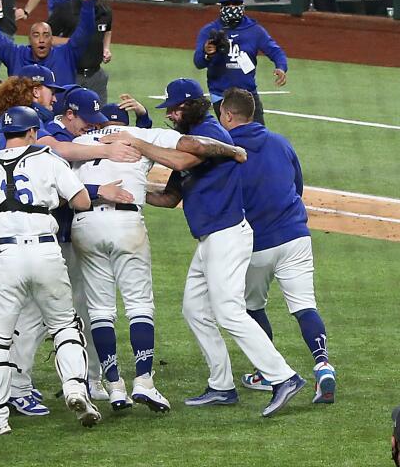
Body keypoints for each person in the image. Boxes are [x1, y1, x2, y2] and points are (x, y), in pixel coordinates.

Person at [128, 78, 304, 418]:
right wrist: (131, 194)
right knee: (194, 310)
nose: (172, 115)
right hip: (209, 239)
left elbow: (183, 158)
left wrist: (137, 142)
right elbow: (170, 197)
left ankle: (284, 377)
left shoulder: (213, 132)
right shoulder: (188, 144)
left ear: (192, 106)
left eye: (176, 109)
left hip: (228, 235)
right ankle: (221, 386)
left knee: (229, 311)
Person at [71, 100, 246, 412]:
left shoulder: (81, 142)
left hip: (86, 224)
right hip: (126, 224)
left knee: (100, 310)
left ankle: (113, 387)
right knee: (138, 304)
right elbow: (194, 147)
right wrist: (231, 151)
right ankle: (144, 382)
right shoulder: (141, 135)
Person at [0, 105, 101, 435]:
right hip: (47, 249)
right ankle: (76, 389)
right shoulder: (48, 159)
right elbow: (82, 202)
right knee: (64, 324)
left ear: (5, 134)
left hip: (5, 254)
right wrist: (47, 202)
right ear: (33, 132)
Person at [218, 88, 336, 404]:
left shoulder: (227, 150)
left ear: (228, 115)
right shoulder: (281, 142)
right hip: (296, 236)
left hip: (257, 244)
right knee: (304, 306)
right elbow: (297, 186)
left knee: (251, 307)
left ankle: (266, 372)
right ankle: (323, 363)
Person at [193, 0, 288, 124]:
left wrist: (281, 67)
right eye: (227, 4)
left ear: (242, 5)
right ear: (221, 7)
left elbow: (275, 51)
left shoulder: (255, 30)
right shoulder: (209, 31)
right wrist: (207, 54)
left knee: (257, 138)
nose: (232, 7)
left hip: (248, 95)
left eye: (236, 3)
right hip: (221, 96)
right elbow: (198, 62)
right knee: (228, 142)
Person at [47, 0, 113, 104]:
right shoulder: (65, 9)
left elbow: (107, 31)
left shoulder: (106, 11)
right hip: (70, 74)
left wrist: (106, 49)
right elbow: (47, 38)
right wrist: (70, 42)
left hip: (96, 75)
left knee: (99, 117)